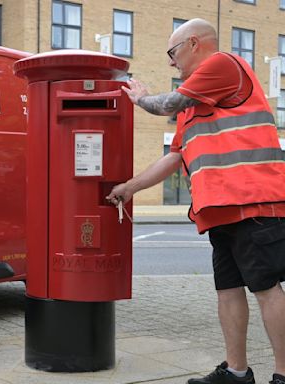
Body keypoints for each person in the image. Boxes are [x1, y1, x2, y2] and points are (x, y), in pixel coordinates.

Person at [106, 18, 285, 384]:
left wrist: (140, 98)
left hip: (254, 202)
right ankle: (236, 372)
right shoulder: (194, 104)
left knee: (266, 289)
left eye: (172, 53)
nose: (171, 62)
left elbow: (167, 102)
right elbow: (174, 156)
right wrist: (131, 187)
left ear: (193, 43)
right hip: (219, 211)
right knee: (228, 292)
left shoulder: (222, 65)